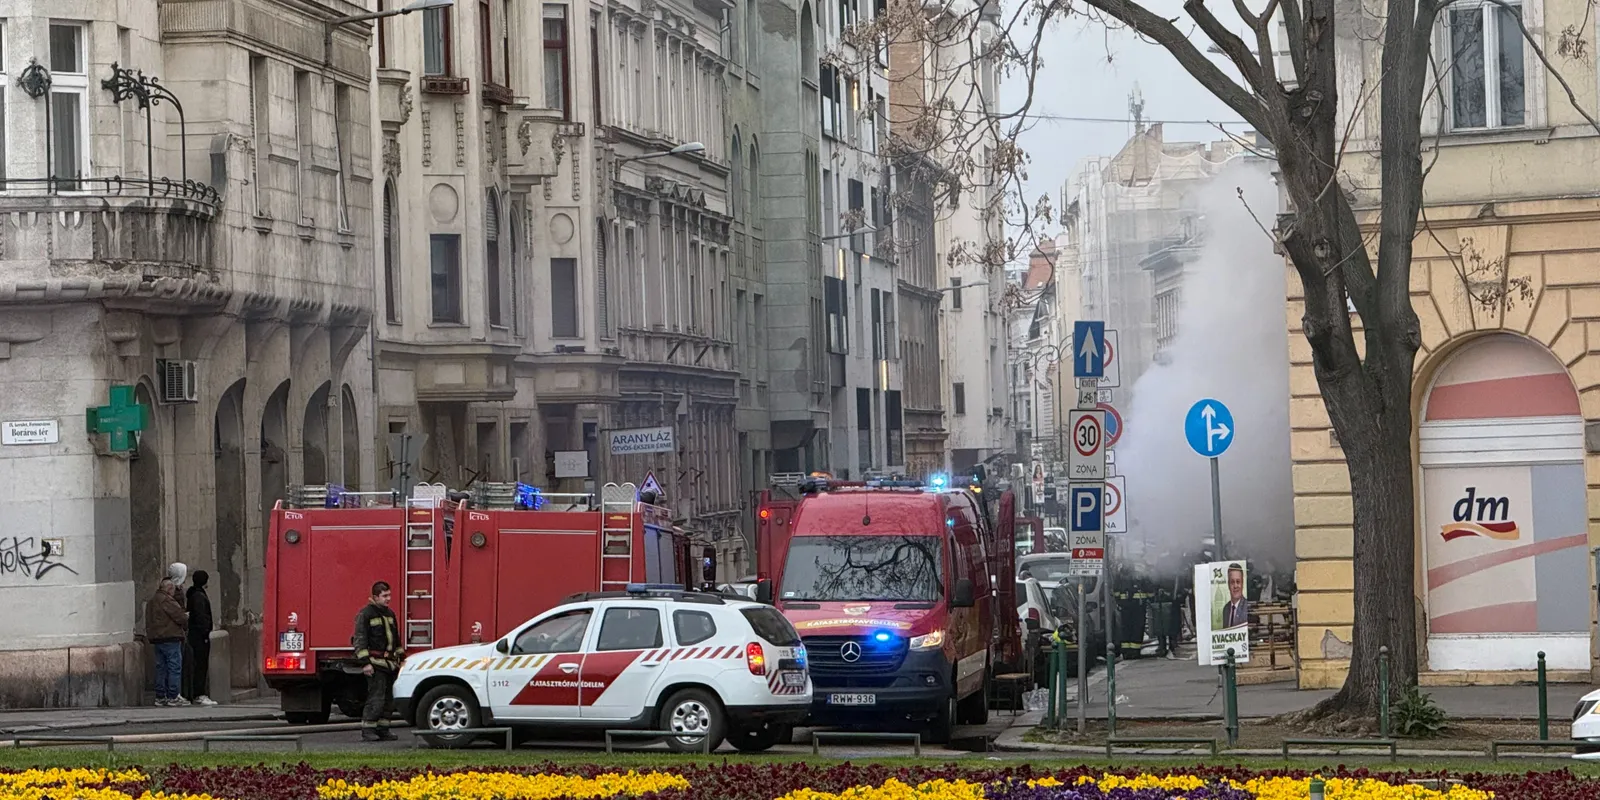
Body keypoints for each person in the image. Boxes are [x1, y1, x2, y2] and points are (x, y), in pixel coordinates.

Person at [353, 581, 401, 742]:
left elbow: (396, 640)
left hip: (389, 663)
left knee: (388, 699)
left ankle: (383, 728)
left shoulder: (390, 614)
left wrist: (401, 658)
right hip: (375, 663)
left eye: (389, 595)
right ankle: (368, 729)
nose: (388, 599)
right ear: (375, 597)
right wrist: (365, 663)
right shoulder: (365, 614)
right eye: (385, 596)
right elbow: (360, 640)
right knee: (376, 697)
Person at [145, 579, 188, 707]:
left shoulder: (152, 601)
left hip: (157, 639)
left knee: (161, 668)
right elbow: (180, 617)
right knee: (174, 667)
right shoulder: (167, 600)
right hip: (170, 637)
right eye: (173, 590)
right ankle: (173, 696)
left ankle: (160, 696)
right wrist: (186, 616)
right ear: (169, 589)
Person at [185, 570, 218, 706]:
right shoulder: (198, 596)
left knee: (198, 665)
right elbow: (201, 617)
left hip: (196, 635)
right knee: (200, 665)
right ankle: (199, 694)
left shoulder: (194, 594)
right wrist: (205, 632)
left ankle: (197, 693)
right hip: (199, 636)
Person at [1222, 563, 1249, 628]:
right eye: (1232, 582)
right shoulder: (1225, 609)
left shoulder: (1248, 607)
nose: (1235, 586)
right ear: (1228, 585)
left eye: (1238, 581)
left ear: (1243, 583)